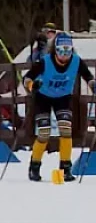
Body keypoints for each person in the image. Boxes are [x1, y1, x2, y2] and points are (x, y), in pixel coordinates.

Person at [23, 32, 94, 182]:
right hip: (43, 98)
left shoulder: (76, 61)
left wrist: (93, 85)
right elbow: (27, 78)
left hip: (62, 98)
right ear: (55, 50)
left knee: (66, 131)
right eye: (61, 51)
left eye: (68, 51)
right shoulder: (45, 61)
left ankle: (65, 168)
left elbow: (88, 76)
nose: (64, 55)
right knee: (44, 133)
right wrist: (32, 85)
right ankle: (34, 166)